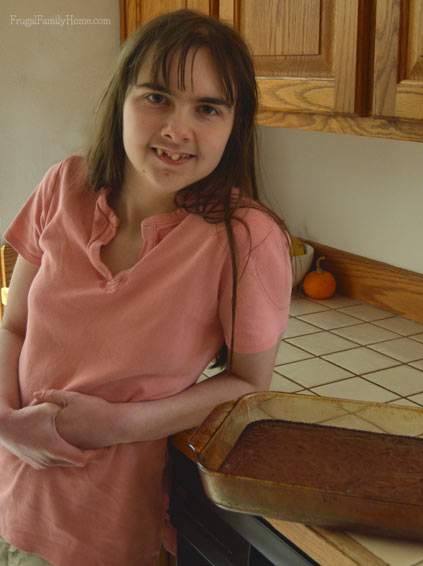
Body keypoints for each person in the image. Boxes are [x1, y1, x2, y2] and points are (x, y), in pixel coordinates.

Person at [0, 9, 292, 566]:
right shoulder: (64, 186)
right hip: (11, 499)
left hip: (113, 532)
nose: (176, 130)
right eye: (156, 97)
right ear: (121, 100)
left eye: (207, 109)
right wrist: (7, 425)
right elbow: (14, 325)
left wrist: (120, 424)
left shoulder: (246, 238)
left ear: (235, 126)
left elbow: (249, 385)